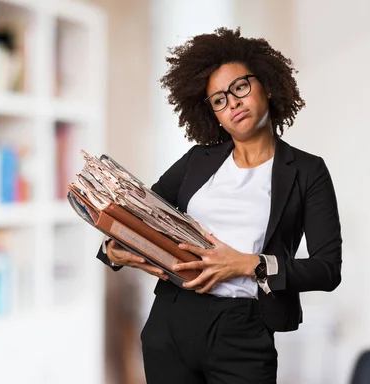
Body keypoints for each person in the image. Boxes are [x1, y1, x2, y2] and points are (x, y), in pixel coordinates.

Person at [95, 27, 342, 384]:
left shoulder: (306, 171)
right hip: (172, 320)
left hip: (244, 328)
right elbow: (137, 215)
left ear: (267, 86)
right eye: (219, 100)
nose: (233, 103)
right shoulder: (198, 161)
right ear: (213, 113)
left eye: (240, 87)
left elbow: (327, 269)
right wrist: (113, 251)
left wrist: (247, 265)